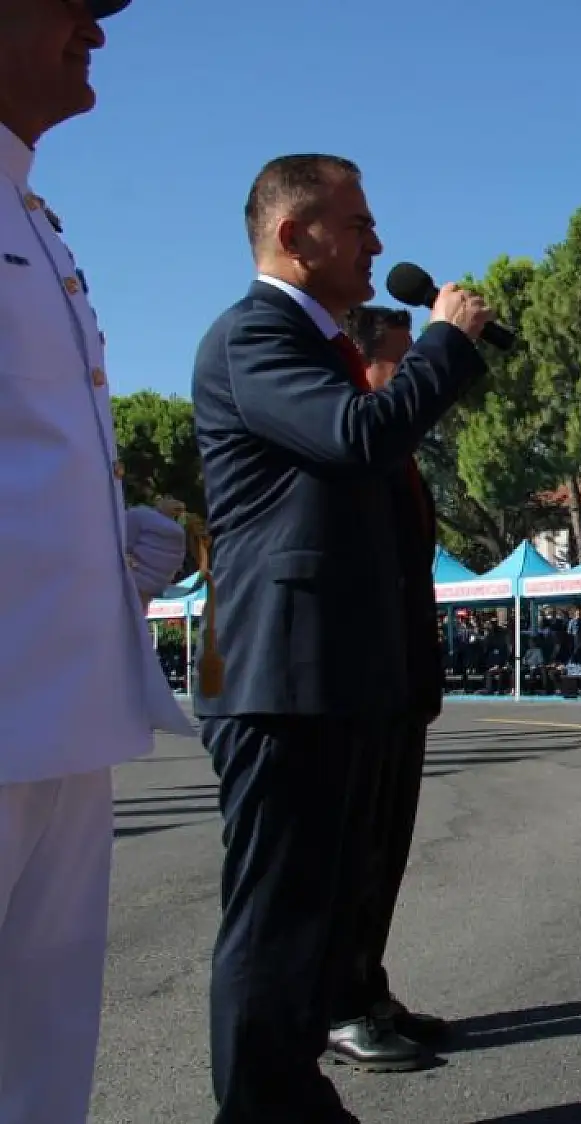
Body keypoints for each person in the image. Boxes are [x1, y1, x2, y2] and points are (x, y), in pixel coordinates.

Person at [193, 154, 492, 1122]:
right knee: (276, 920)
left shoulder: (312, 342)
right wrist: (443, 345)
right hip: (278, 676)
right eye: (356, 223)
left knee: (314, 915)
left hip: (328, 674)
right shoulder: (255, 335)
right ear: (294, 236)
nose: (376, 242)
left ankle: (293, 1093)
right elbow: (359, 437)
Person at [0, 5, 194, 1122]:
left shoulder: (31, 211)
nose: (97, 34)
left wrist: (102, 539)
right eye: (70, 4)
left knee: (45, 1047)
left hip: (62, 707)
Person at [325, 306, 452, 1071]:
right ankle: (339, 1007)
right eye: (401, 363)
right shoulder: (354, 446)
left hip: (401, 681)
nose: (412, 376)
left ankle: (367, 990)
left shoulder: (397, 457)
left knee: (384, 853)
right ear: (360, 364)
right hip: (359, 682)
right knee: (353, 856)